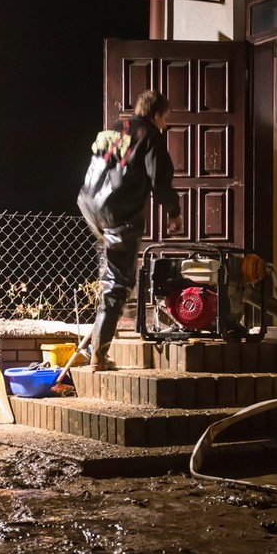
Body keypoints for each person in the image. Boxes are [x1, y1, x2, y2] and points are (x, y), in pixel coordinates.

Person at [77, 89, 184, 370]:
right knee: (118, 283)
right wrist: (174, 213)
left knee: (114, 274)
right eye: (166, 118)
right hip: (118, 214)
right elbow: (160, 181)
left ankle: (111, 306)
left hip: (90, 205)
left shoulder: (115, 129)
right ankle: (99, 356)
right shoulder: (150, 135)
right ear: (156, 114)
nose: (166, 124)